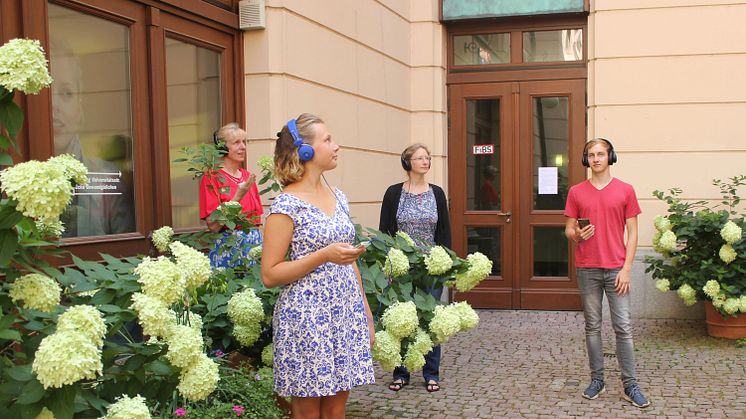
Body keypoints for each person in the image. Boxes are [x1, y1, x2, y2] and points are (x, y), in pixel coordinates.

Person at [261, 113, 375, 418]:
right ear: (306, 151)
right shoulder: (286, 206)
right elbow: (270, 274)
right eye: (328, 139)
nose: (336, 146)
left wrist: (365, 313)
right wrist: (323, 255)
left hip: (345, 312)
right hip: (307, 319)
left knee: (336, 410)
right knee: (308, 412)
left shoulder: (340, 198)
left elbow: (348, 260)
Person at [563, 138, 650, 408]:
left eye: (601, 154)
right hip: (587, 268)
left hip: (616, 269)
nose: (596, 159)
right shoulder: (576, 192)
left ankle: (630, 385)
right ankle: (597, 380)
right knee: (592, 326)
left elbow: (633, 234)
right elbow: (568, 229)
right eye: (591, 154)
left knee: (623, 327)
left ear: (610, 157)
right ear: (585, 159)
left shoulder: (626, 190)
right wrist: (578, 234)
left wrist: (626, 269)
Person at [379, 143, 451, 393]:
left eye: (428, 158)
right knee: (403, 320)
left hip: (431, 265)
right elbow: (384, 232)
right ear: (407, 162)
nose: (426, 161)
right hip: (402, 267)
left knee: (431, 320)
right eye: (420, 157)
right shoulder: (393, 193)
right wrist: (388, 263)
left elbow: (444, 231)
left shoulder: (437, 193)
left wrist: (446, 263)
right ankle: (401, 373)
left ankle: (431, 374)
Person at [50, 39, 135, 237]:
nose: (54, 106)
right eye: (46, 92)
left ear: (80, 107)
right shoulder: (10, 178)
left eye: (66, 93)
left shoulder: (107, 178)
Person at [198, 123, 263, 268]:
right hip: (227, 246)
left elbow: (257, 222)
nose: (243, 147)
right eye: (236, 143)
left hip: (254, 246)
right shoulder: (212, 178)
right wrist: (238, 196)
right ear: (222, 147)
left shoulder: (248, 177)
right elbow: (213, 226)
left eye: (244, 142)